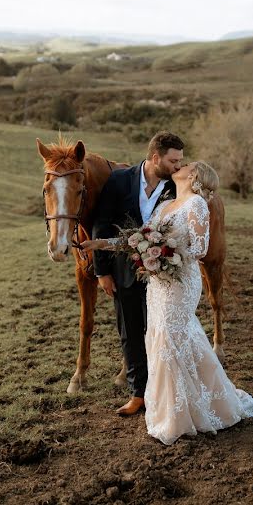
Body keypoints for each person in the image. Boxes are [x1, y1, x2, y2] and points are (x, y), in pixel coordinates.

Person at [84, 160, 253, 445]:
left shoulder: (196, 205)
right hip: (158, 283)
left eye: (186, 164)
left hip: (181, 281)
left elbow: (200, 249)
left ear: (193, 175)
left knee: (169, 337)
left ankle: (180, 414)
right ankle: (177, 402)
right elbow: (139, 239)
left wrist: (165, 254)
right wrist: (102, 244)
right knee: (161, 338)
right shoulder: (164, 205)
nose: (179, 165)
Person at [91, 132, 184, 416]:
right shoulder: (120, 180)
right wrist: (102, 271)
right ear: (156, 157)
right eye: (173, 160)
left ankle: (162, 391)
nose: (178, 166)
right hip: (123, 273)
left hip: (163, 275)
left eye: (180, 160)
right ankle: (138, 394)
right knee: (130, 333)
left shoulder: (177, 187)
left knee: (159, 333)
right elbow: (101, 226)